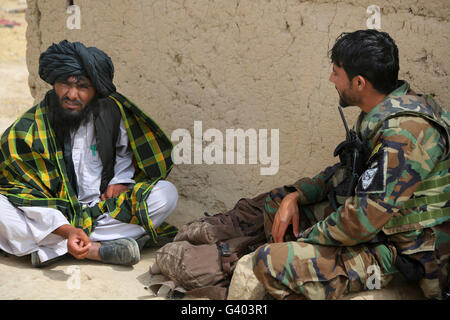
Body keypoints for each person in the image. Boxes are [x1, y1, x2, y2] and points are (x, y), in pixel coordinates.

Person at [251, 30, 450, 299]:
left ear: (359, 83)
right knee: (278, 203)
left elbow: (361, 220)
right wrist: (297, 195)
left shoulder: (406, 133)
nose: (331, 79)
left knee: (270, 262)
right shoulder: (383, 111)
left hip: (408, 253)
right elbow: (345, 171)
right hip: (381, 229)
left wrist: (306, 238)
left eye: (336, 72)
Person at [0, 40, 178, 268]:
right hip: (52, 212)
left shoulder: (111, 112)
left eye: (82, 86)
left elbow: (125, 152)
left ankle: (54, 249)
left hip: (102, 209)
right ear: (54, 82)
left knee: (166, 194)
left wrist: (121, 180)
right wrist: (67, 229)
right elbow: (23, 193)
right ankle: (96, 249)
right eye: (65, 83)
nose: (72, 94)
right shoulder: (29, 129)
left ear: (95, 90)